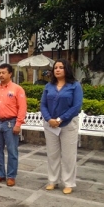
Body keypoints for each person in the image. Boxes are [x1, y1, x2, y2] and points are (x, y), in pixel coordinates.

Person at [40, 58, 83, 194]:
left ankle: (69, 183)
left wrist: (59, 119)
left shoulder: (75, 86)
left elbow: (76, 106)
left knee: (69, 155)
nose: (57, 69)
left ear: (66, 69)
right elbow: (43, 104)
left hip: (68, 124)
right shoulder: (49, 86)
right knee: (52, 154)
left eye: (61, 67)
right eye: (55, 68)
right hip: (50, 125)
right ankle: (53, 181)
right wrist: (49, 119)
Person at [0, 63, 27, 187]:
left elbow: (22, 108)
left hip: (10, 123)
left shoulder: (17, 89)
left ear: (10, 74)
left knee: (12, 151)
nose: (1, 75)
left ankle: (11, 176)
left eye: (3, 73)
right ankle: (0, 173)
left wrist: (18, 123)